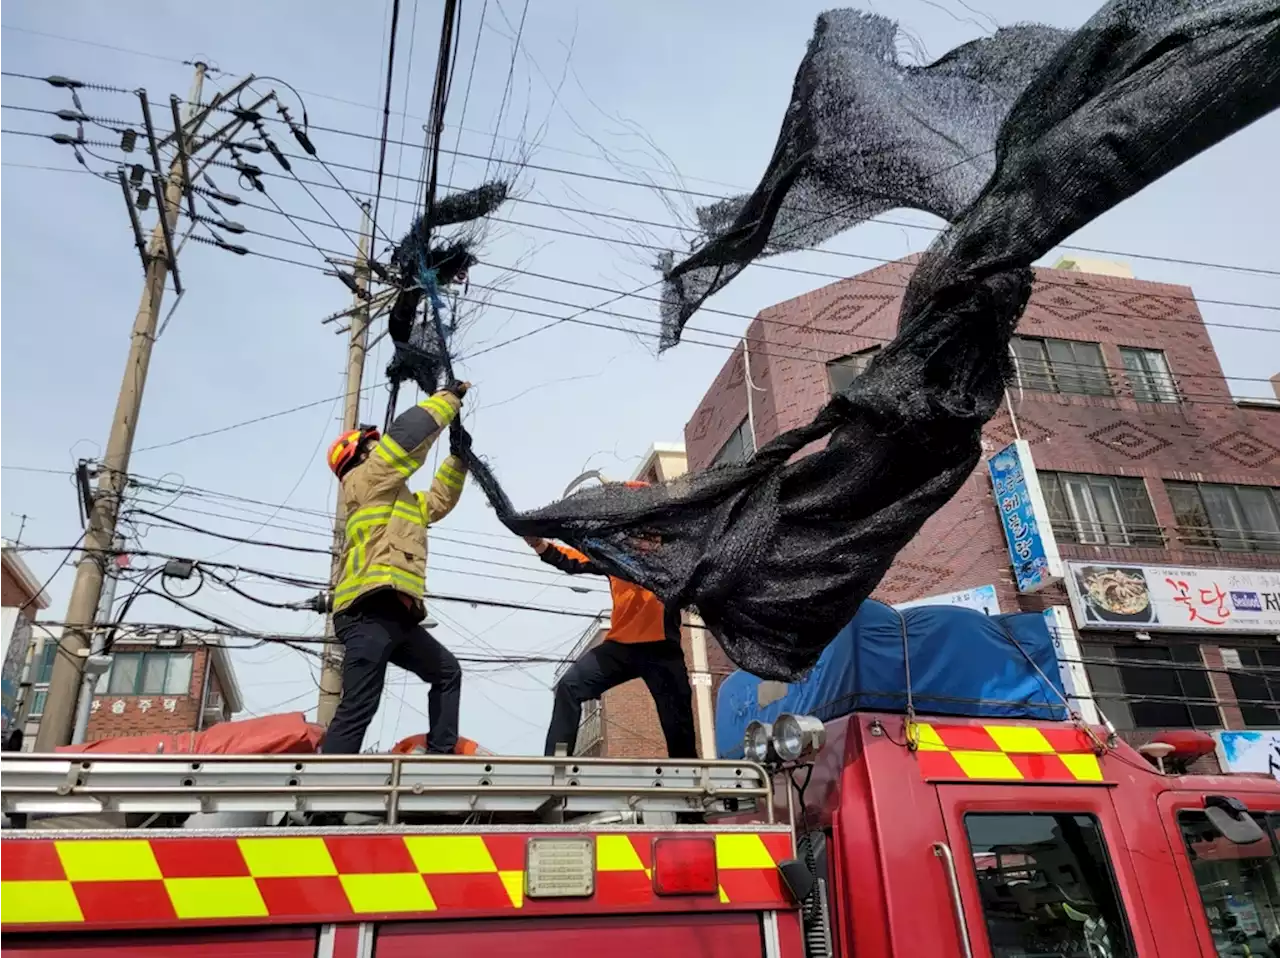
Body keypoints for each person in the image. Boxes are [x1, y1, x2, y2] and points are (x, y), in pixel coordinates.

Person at [320, 382, 471, 755]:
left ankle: (440, 757)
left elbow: (436, 502)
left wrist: (458, 459)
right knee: (359, 706)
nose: (379, 447)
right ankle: (320, 801)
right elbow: (407, 437)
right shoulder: (364, 480)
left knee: (447, 673)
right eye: (373, 445)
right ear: (358, 456)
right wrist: (448, 399)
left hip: (393, 616)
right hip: (367, 612)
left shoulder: (396, 501)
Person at [525, 486, 697, 759]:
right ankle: (555, 764)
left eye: (646, 532)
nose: (640, 539)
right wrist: (538, 544)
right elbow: (572, 561)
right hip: (620, 648)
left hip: (662, 649)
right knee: (570, 685)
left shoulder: (673, 555)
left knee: (679, 725)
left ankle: (689, 778)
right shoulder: (615, 556)